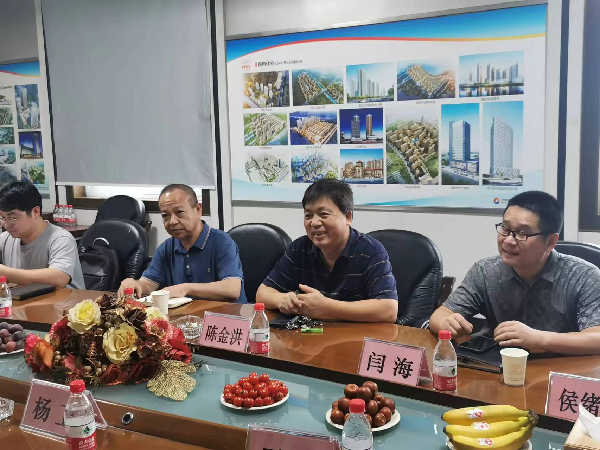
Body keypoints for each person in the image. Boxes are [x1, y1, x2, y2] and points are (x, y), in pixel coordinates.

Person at [429, 191, 600, 355]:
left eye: (522, 233)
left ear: (550, 242)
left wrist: (540, 340)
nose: (509, 241)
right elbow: (440, 315)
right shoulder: (485, 271)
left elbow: (596, 338)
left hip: (561, 368)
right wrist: (447, 323)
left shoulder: (584, 277)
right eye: (505, 229)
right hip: (498, 364)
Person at [256, 179, 398, 323]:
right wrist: (282, 299)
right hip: (312, 334)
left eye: (323, 214)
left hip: (357, 335)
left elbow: (388, 311)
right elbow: (262, 293)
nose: (314, 223)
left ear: (348, 217)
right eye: (308, 215)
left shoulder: (371, 251)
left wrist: (327, 307)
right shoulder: (299, 248)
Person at [118, 184, 246, 302]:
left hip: (225, 316)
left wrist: (184, 289)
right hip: (185, 317)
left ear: (198, 210)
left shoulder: (222, 242)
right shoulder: (166, 248)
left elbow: (232, 289)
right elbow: (149, 284)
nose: (172, 221)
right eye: (165, 215)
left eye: (179, 212)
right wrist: (134, 284)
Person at [0, 181, 84, 289]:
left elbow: (59, 278)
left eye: (13, 218)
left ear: (36, 211)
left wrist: (5, 272)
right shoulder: (4, 239)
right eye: (2, 217)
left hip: (65, 299)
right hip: (24, 299)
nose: (6, 224)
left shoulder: (61, 239)